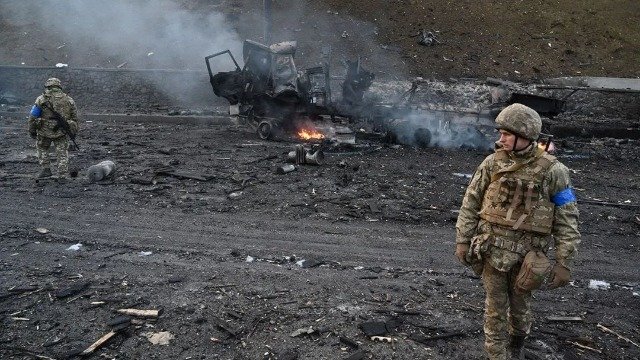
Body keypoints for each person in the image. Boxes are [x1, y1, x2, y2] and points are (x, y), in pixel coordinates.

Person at [455, 103, 580, 360]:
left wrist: (563, 262)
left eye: (507, 134)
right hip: (492, 250)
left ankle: (517, 344)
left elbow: (567, 218)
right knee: (494, 310)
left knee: (521, 310)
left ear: (525, 136)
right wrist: (463, 240)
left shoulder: (555, 171)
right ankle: (496, 355)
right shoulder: (492, 163)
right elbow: (471, 201)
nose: (500, 139)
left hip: (529, 257)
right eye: (500, 133)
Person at [28, 77, 79, 179]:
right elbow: (75, 118)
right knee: (62, 152)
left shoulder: (41, 99)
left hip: (44, 131)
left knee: (42, 148)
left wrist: (32, 130)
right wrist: (73, 132)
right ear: (59, 86)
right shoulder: (69, 100)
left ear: (47, 86)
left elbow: (33, 116)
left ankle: (46, 169)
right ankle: (62, 174)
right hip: (62, 131)